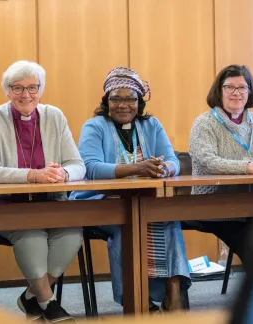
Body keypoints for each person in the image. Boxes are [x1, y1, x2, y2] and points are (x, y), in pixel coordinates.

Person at [0, 61, 85, 322]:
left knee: (72, 232)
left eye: (32, 87)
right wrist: (33, 175)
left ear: (40, 89)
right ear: (7, 91)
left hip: (48, 201)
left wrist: (62, 174)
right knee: (30, 231)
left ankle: (31, 297)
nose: (26, 95)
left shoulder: (54, 115)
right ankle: (48, 303)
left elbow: (78, 165)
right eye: (17, 88)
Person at [70, 67, 190, 312]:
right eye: (116, 99)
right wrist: (139, 167)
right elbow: (90, 168)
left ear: (139, 102)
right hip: (101, 202)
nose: (122, 105)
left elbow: (174, 161)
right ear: (106, 101)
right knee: (128, 224)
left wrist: (163, 168)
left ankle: (173, 293)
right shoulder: (94, 126)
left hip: (146, 202)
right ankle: (137, 300)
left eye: (130, 99)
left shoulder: (151, 125)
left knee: (168, 219)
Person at [188, 64, 253, 275]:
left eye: (242, 88)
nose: (237, 93)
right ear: (219, 90)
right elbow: (209, 162)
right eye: (230, 87)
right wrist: (247, 167)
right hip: (215, 206)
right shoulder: (204, 123)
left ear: (250, 92)